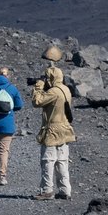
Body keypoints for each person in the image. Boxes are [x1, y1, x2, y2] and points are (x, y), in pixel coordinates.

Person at [29, 65, 76, 200]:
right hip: (65, 129)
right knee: (62, 161)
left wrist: (38, 87)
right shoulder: (65, 89)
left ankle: (47, 190)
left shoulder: (54, 92)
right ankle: (64, 190)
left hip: (52, 130)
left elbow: (37, 102)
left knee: (48, 161)